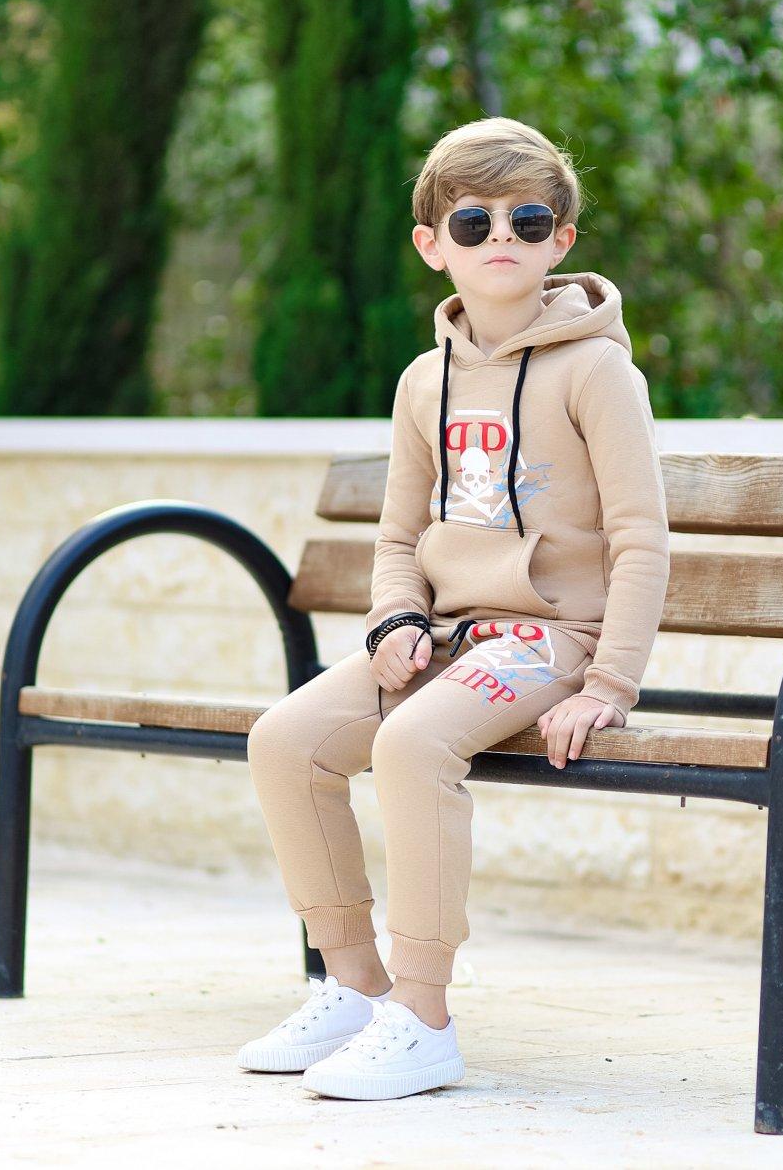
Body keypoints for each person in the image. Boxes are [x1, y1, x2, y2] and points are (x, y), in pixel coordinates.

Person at [238, 116, 670, 1101]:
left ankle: (424, 1016)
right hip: (447, 636)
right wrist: (395, 621)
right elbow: (399, 539)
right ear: (433, 244)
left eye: (529, 219)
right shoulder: (422, 382)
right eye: (473, 222)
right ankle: (357, 988)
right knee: (285, 740)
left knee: (411, 744)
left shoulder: (598, 370)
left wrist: (608, 683)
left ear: (562, 238)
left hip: (554, 639)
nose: (501, 236)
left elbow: (641, 539)